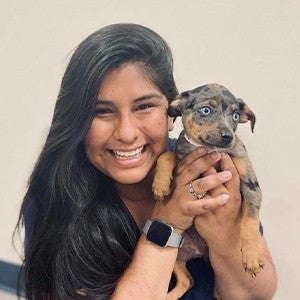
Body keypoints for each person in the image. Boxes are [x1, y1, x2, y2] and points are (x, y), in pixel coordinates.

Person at [16, 23, 277, 299]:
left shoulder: (208, 170)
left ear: (171, 113)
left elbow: (259, 293)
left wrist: (225, 241)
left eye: (144, 106)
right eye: (102, 111)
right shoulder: (56, 197)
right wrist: (168, 225)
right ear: (77, 122)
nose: (127, 133)